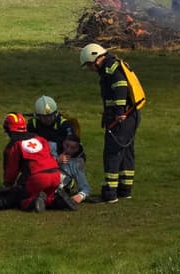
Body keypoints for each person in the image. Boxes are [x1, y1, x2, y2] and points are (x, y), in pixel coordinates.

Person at [80, 43, 140, 203]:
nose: (90, 69)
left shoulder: (110, 68)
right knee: (126, 152)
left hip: (121, 117)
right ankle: (125, 190)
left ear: (95, 59)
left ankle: (110, 193)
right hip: (131, 115)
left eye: (89, 65)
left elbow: (120, 87)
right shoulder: (113, 65)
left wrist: (119, 112)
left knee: (112, 153)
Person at [0, 113, 62, 212]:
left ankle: (33, 202)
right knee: (48, 196)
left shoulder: (14, 145)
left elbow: (11, 171)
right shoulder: (39, 138)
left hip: (37, 178)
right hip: (56, 176)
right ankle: (56, 200)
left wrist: (8, 184)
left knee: (18, 196)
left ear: (8, 129)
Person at [56, 134, 91, 204]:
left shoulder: (77, 162)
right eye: (66, 145)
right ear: (63, 143)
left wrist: (81, 196)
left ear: (77, 148)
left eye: (73, 148)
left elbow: (85, 188)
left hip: (57, 186)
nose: (68, 149)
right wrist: (55, 161)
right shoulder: (53, 148)